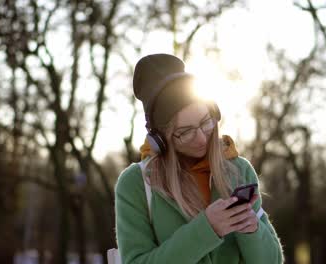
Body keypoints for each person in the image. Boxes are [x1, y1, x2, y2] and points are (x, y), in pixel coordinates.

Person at [115, 53, 283, 263]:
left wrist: (252, 231)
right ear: (160, 139)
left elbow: (272, 261)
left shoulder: (238, 170)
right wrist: (207, 229)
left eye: (206, 122)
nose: (202, 137)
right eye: (185, 132)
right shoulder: (136, 183)